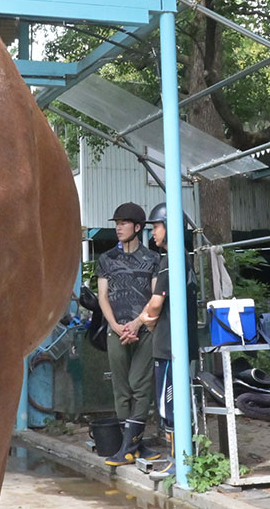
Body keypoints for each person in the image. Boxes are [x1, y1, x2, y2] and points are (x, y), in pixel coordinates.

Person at [96, 202, 159, 466]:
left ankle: (128, 447)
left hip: (143, 331)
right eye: (116, 223)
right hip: (117, 331)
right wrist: (115, 325)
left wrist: (136, 323)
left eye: (123, 223)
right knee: (120, 388)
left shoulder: (153, 259)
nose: (118, 227)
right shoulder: (106, 259)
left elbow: (156, 297)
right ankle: (132, 445)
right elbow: (102, 296)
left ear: (137, 227)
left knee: (140, 385)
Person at [140, 202, 197, 479]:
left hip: (169, 345)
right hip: (174, 344)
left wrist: (143, 321)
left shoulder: (171, 260)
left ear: (170, 228)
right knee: (173, 404)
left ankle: (179, 462)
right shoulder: (181, 258)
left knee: (169, 405)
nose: (153, 233)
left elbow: (154, 305)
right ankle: (181, 459)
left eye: (157, 227)